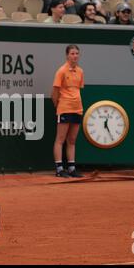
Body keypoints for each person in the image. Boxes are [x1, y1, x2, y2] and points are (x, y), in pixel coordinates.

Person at [52, 44, 84, 178]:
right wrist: (59, 107)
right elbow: (54, 93)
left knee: (72, 140)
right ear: (67, 55)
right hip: (64, 108)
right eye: (72, 53)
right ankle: (59, 168)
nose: (75, 56)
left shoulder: (80, 71)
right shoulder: (61, 71)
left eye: (77, 53)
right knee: (60, 139)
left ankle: (71, 168)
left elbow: (78, 90)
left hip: (77, 109)